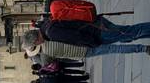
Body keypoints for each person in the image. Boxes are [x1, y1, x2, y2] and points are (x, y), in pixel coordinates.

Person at [22, 28, 150, 61]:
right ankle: (141, 43)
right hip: (86, 41)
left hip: (84, 51)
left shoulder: (47, 51)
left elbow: (49, 62)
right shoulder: (50, 35)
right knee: (119, 37)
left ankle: (143, 48)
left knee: (114, 49)